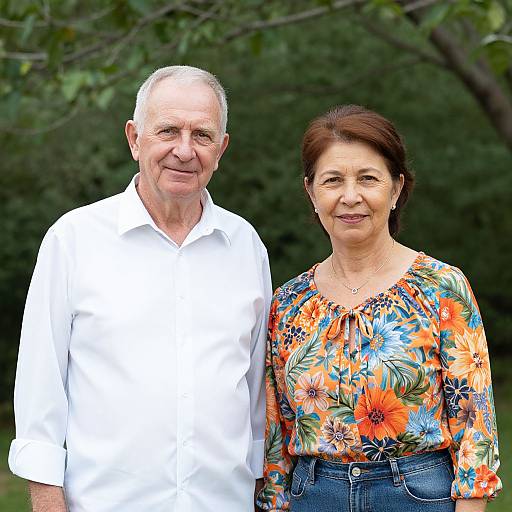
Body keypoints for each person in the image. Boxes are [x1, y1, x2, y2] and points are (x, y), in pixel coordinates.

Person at [9, 65, 272, 512]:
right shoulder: (73, 239)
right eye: (168, 130)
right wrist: (46, 499)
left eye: (202, 135)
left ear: (221, 148)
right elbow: (41, 388)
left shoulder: (245, 245)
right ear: (134, 138)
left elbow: (253, 394)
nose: (184, 151)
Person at [257, 105, 501, 512]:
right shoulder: (288, 303)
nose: (350, 196)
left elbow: (476, 426)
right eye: (333, 180)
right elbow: (277, 432)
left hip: (420, 496)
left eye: (368, 179)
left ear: (396, 188)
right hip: (314, 497)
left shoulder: (441, 288)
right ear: (311, 192)